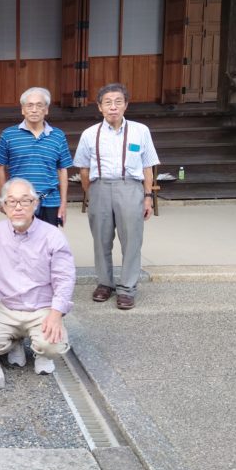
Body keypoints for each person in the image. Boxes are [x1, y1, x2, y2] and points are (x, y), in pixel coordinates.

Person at [0, 178, 74, 375]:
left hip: (41, 308)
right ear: (4, 206)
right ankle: (15, 342)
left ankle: (41, 353)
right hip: (7, 307)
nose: (18, 207)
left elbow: (65, 279)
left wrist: (55, 315)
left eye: (25, 201)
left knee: (52, 346)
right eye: (12, 201)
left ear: (35, 204)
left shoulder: (53, 236)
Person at [72, 83, 160, 310]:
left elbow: (148, 167)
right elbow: (83, 169)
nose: (113, 107)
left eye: (118, 102)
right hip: (99, 187)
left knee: (132, 240)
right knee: (101, 239)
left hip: (130, 187)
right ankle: (104, 283)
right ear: (99, 107)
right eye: (108, 103)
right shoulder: (90, 134)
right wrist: (90, 194)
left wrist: (147, 197)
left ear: (126, 105)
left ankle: (127, 288)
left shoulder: (140, 131)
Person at [0, 87, 72, 227]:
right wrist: (3, 198)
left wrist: (63, 203)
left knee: (48, 239)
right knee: (19, 239)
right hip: (19, 201)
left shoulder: (58, 136)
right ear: (23, 109)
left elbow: (63, 170)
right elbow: (0, 167)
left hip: (50, 201)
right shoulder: (8, 135)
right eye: (29, 105)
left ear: (46, 109)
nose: (34, 110)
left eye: (39, 105)